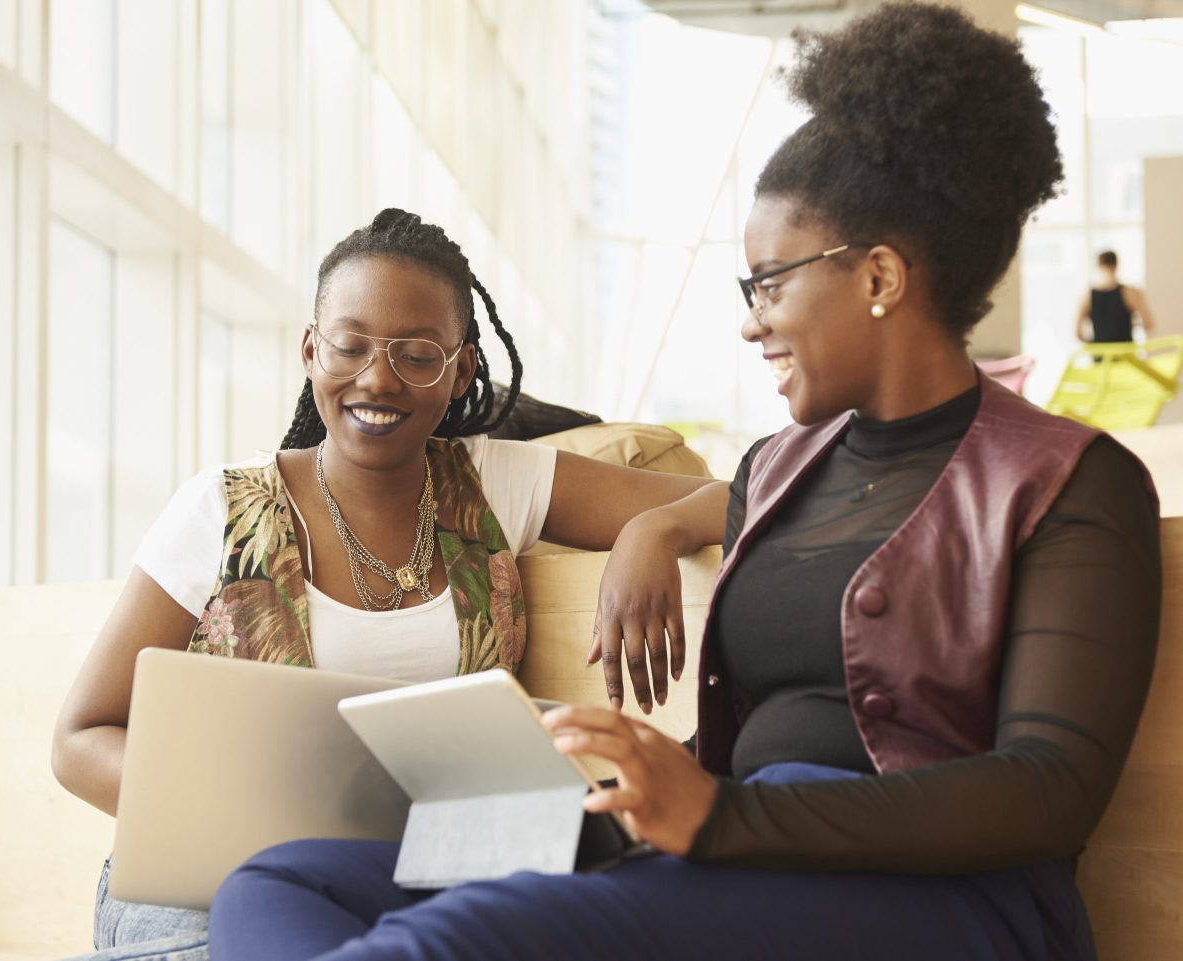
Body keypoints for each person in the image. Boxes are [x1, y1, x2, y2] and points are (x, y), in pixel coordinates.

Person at [204, 5, 1162, 960]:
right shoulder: (780, 472)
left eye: (769, 283)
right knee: (282, 878)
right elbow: (703, 506)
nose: (751, 322)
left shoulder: (1067, 482)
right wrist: (649, 533)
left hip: (943, 903)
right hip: (737, 859)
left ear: (878, 276)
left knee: (463, 937)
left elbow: (1048, 787)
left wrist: (720, 817)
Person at [50, 208, 728, 961]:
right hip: (201, 893)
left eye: (416, 355)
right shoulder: (219, 510)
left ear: (460, 369)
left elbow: (751, 495)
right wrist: (241, 817)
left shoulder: (494, 481)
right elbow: (79, 737)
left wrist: (654, 530)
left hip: (397, 886)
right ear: (311, 349)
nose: (377, 378)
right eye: (350, 345)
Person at [1076, 250, 1155, 343]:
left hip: (1101, 354)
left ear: (1098, 266)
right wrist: (1132, 324)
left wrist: (1094, 344)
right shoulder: (1131, 292)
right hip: (1125, 353)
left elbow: (1078, 333)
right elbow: (1149, 324)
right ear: (1116, 265)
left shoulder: (1087, 296)